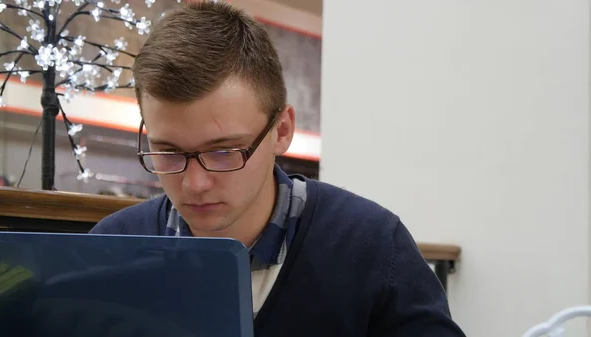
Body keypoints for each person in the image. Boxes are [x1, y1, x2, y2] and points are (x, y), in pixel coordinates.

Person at [90, 1, 467, 336]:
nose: (195, 184)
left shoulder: (371, 245)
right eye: (168, 152)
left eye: (224, 152)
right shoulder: (109, 248)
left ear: (281, 131)